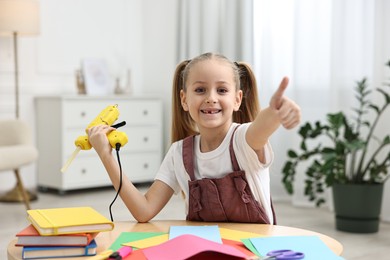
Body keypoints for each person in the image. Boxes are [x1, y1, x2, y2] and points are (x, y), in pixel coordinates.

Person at [88, 52, 301, 224]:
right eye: (200, 89)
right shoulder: (178, 154)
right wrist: (106, 155)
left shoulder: (243, 140)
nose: (211, 98)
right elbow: (143, 211)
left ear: (237, 100)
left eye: (222, 90)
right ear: (184, 99)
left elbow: (261, 127)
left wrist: (275, 112)